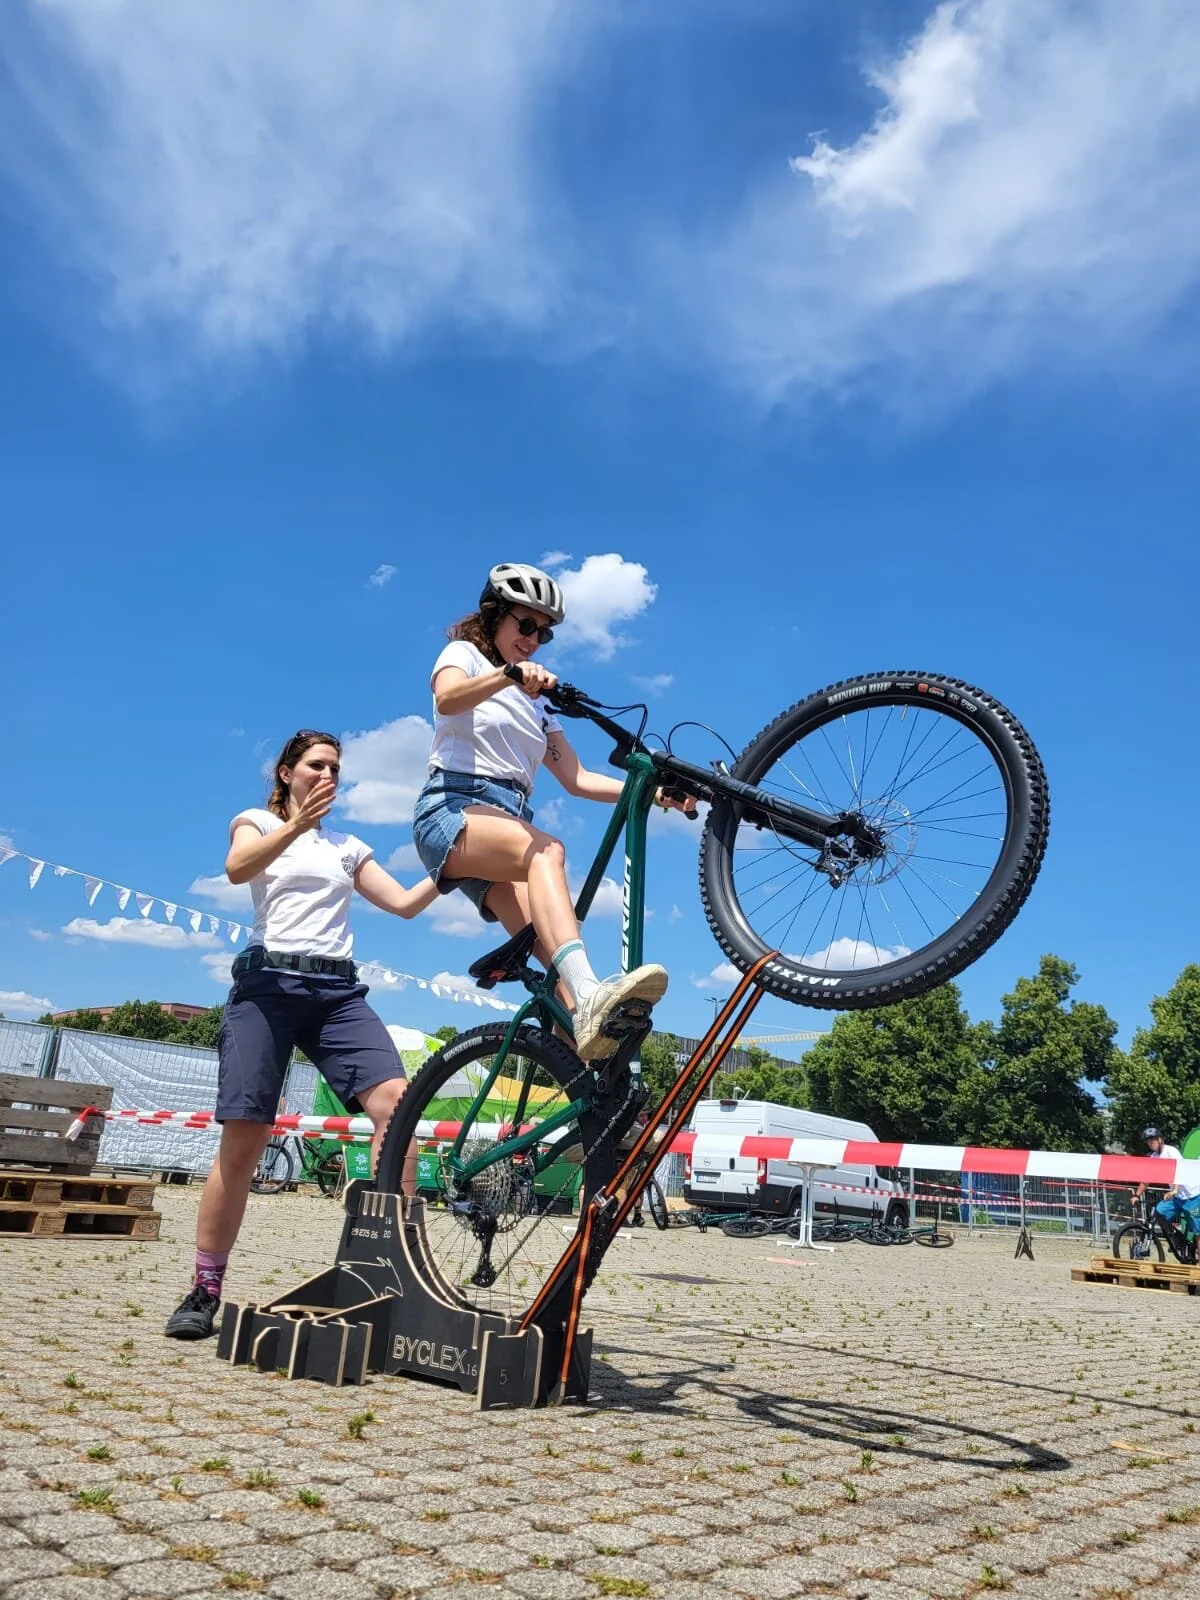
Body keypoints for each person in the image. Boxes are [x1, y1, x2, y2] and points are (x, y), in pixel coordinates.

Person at [164, 729, 439, 1340]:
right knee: (246, 1137)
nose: (328, 776)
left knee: (398, 1105)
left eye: (336, 768)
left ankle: (405, 1277)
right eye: (316, 765)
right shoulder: (256, 823)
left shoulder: (348, 846)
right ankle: (205, 1288)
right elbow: (237, 870)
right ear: (287, 772)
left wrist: (451, 869)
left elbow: (405, 904)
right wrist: (293, 826)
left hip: (337, 994)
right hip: (268, 988)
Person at [412, 561, 692, 1061]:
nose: (534, 640)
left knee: (558, 976)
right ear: (493, 615)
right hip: (452, 809)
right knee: (549, 852)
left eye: (544, 634)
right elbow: (448, 698)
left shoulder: (539, 705)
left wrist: (652, 793)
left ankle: (586, 1107)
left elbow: (578, 780)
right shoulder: (467, 657)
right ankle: (592, 995)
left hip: (505, 825)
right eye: (525, 625)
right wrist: (507, 675)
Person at [1138, 1126, 1200, 1244]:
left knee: (1198, 1232)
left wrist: (1174, 1190)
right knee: (1159, 1212)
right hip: (1177, 1197)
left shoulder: (1171, 1151)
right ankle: (1177, 1239)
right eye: (1148, 1141)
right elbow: (1146, 1178)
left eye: (1153, 1140)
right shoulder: (1154, 1157)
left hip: (1192, 1196)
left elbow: (1180, 1170)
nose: (1150, 1143)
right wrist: (1136, 1195)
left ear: (1160, 1139)